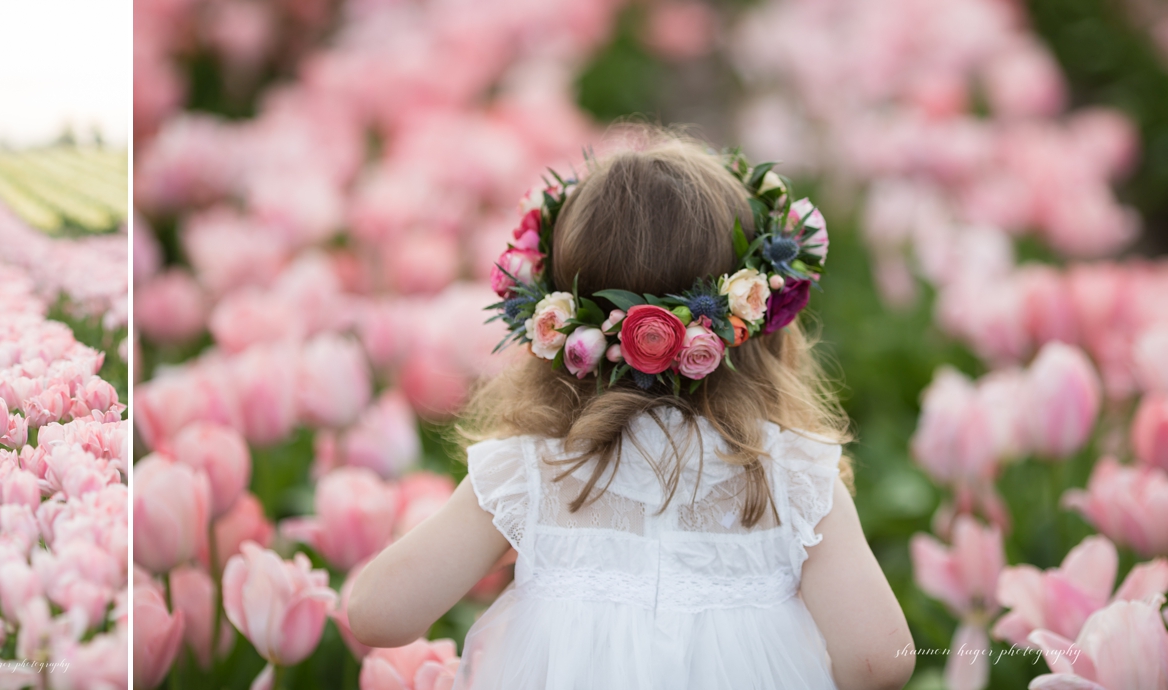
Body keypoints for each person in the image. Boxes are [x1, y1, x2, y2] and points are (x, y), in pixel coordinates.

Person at [347, 129, 914, 689]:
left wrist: (539, 544)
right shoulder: (792, 477)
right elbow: (879, 660)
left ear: (559, 321)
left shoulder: (534, 474)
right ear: (757, 314)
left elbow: (377, 613)